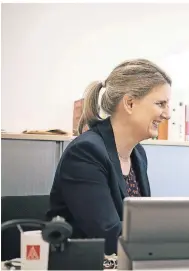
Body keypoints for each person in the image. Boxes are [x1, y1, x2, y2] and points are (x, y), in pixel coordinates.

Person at [46, 59, 172, 254]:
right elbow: (108, 235)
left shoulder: (138, 154)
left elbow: (140, 223)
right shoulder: (85, 152)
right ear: (129, 103)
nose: (167, 114)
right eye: (160, 104)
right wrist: (172, 236)